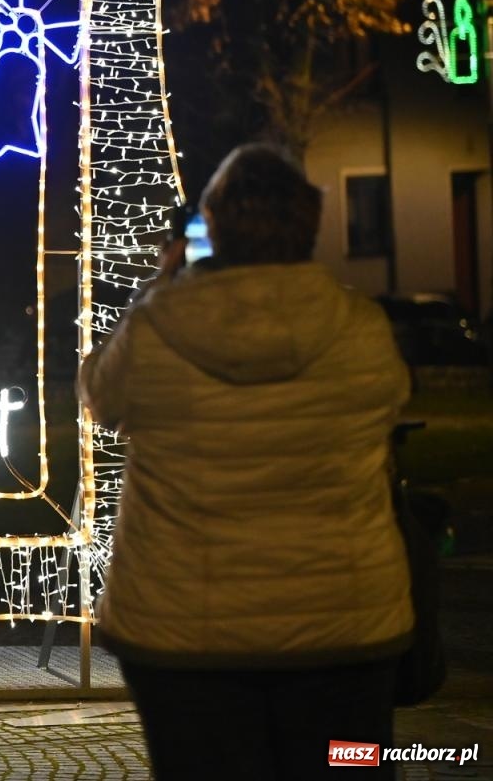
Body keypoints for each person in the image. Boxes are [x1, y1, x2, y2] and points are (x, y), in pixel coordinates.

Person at [79, 142, 413, 780]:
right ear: (309, 224)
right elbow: (391, 408)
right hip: (343, 625)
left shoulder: (155, 330)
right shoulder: (362, 329)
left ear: (214, 226)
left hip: (186, 635)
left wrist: (161, 281)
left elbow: (98, 393)